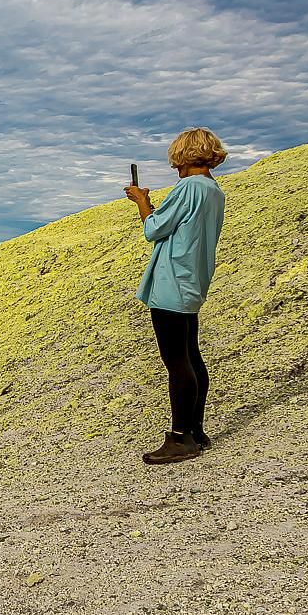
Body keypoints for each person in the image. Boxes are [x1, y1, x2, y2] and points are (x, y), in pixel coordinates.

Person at [124, 127, 227, 465]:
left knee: (176, 361)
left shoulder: (187, 188)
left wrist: (142, 202)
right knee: (192, 355)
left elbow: (154, 229)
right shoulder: (213, 189)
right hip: (193, 279)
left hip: (171, 281)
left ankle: (180, 437)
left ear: (184, 155)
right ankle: (196, 431)